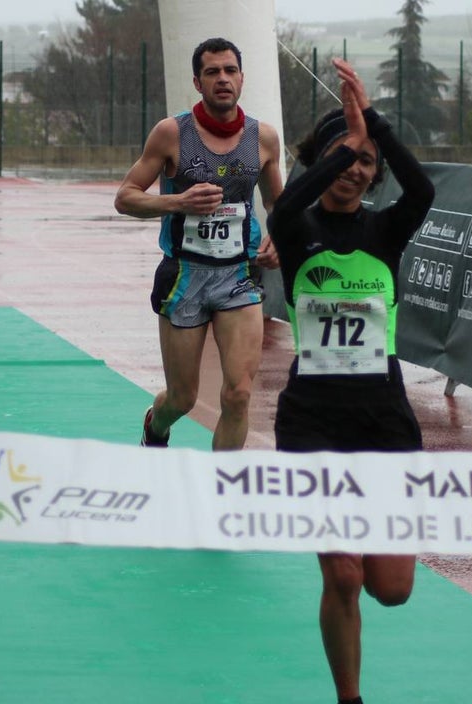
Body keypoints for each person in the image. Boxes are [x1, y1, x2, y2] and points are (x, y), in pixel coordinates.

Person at [266, 58, 435, 704]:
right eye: (344, 157)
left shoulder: (387, 231)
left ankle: (353, 660)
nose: (356, 169)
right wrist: (340, 141)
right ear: (322, 158)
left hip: (385, 424)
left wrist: (377, 128)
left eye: (366, 162)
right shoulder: (298, 230)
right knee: (342, 572)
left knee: (390, 589)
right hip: (313, 424)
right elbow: (278, 208)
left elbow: (423, 186)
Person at [114, 37, 283, 450]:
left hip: (239, 276)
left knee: (238, 393)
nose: (222, 79)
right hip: (184, 277)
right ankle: (157, 424)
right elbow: (125, 197)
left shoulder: (264, 138)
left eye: (229, 70)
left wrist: (279, 238)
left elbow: (278, 203)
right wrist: (177, 201)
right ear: (197, 81)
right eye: (212, 72)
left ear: (242, 78)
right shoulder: (171, 133)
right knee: (183, 398)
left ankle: (219, 492)